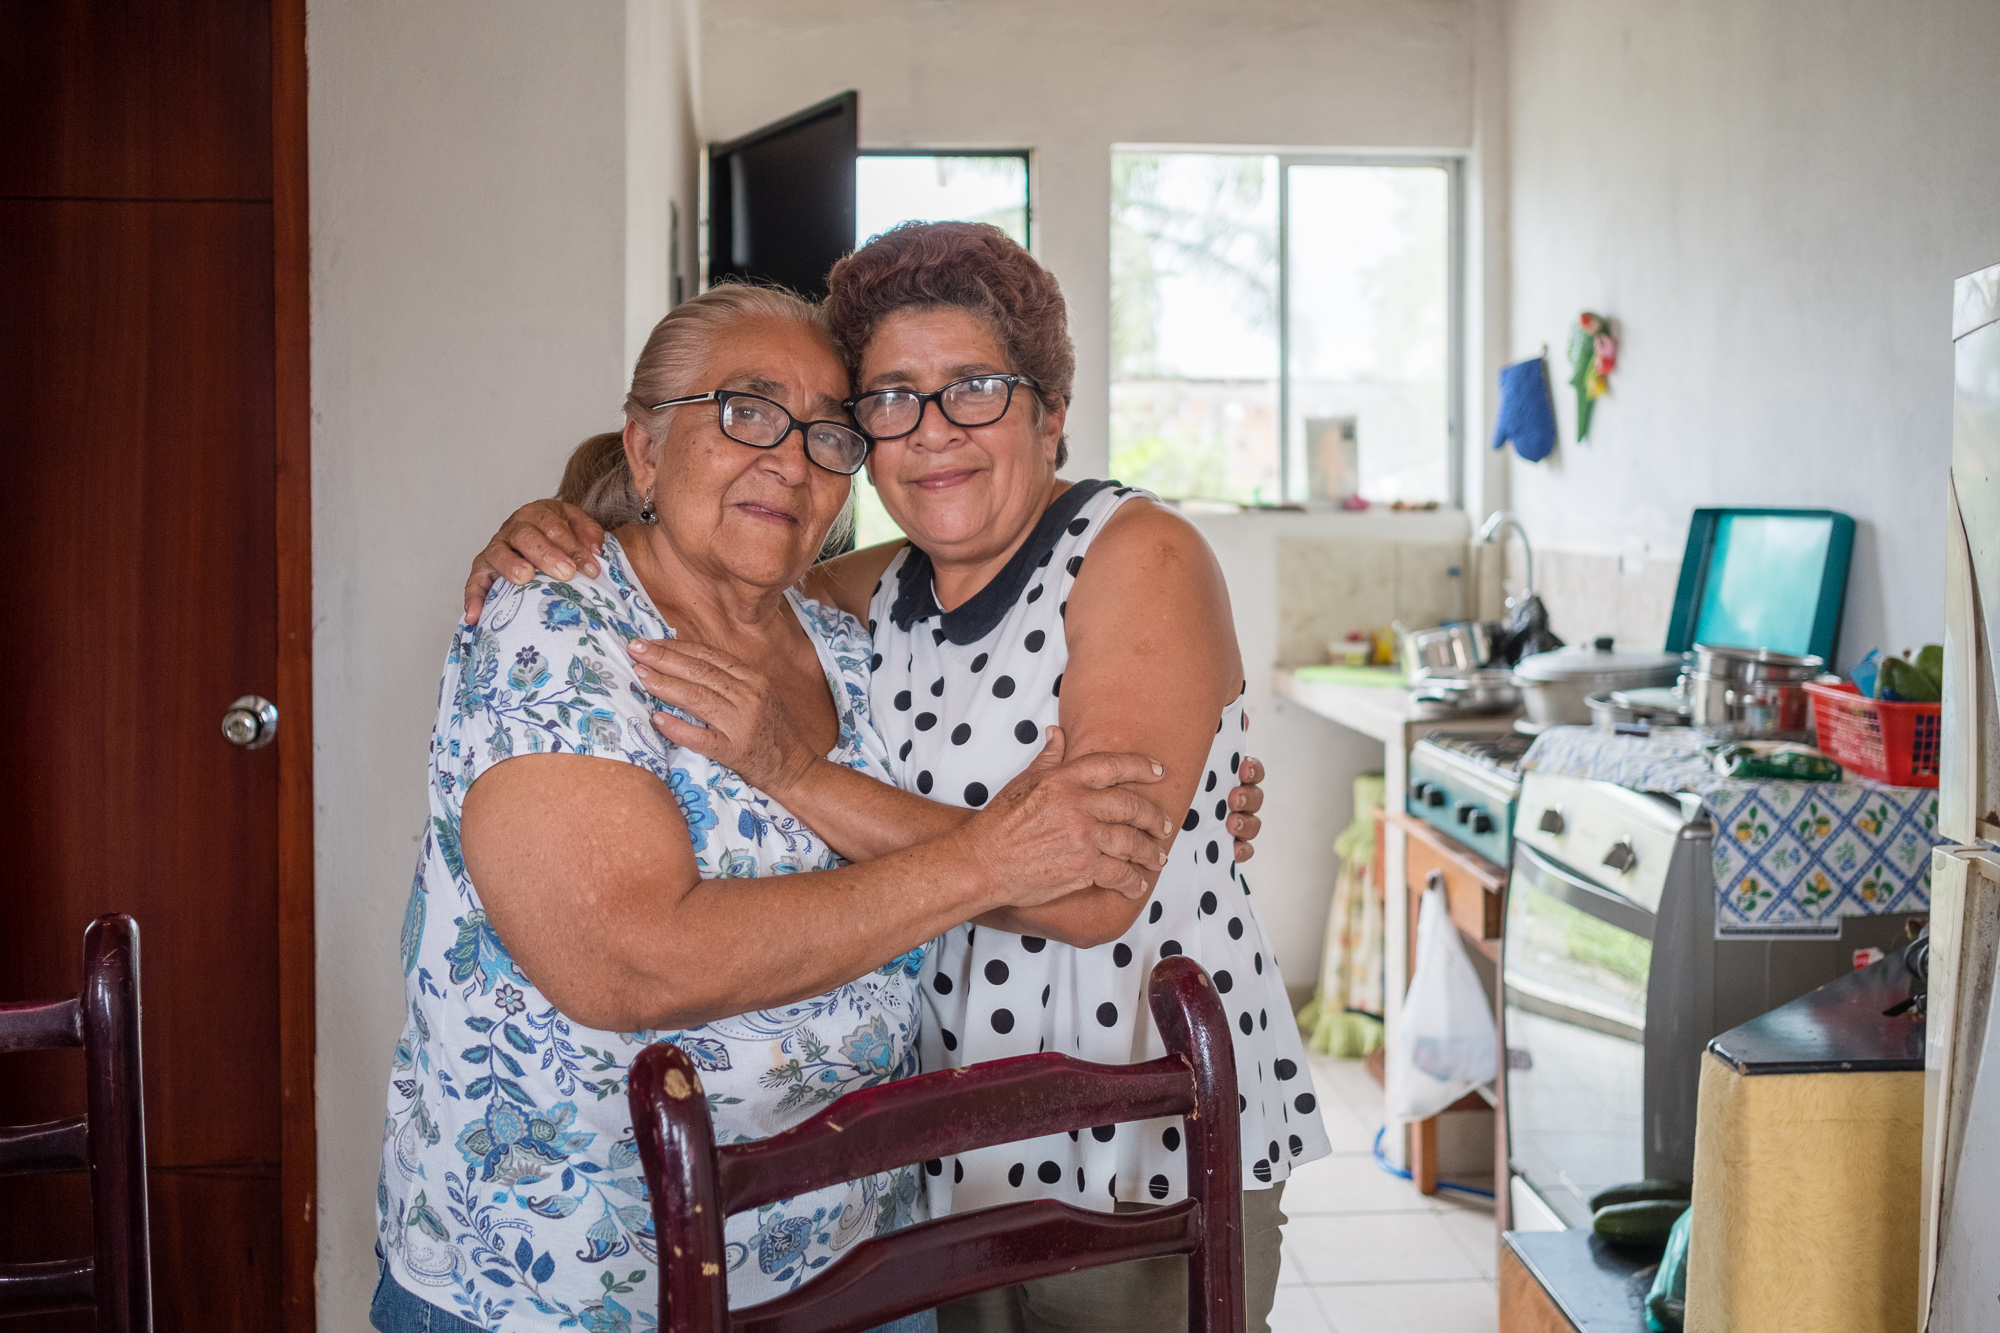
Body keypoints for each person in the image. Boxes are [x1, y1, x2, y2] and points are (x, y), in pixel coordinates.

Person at [466, 223, 1323, 1333]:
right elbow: (704, 547)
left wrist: (789, 768)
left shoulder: (1132, 553)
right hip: (938, 1145)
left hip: (1143, 1127)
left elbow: (1086, 893)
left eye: (973, 389)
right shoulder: (873, 595)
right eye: (889, 400)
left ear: (1049, 411)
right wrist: (561, 524)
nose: (932, 433)